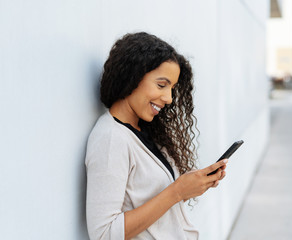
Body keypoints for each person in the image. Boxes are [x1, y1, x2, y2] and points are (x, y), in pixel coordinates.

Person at [85, 32, 228, 240]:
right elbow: (104, 233)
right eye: (161, 85)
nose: (169, 98)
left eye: (172, 88)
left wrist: (191, 187)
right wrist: (177, 192)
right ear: (131, 77)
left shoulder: (143, 130)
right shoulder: (110, 139)